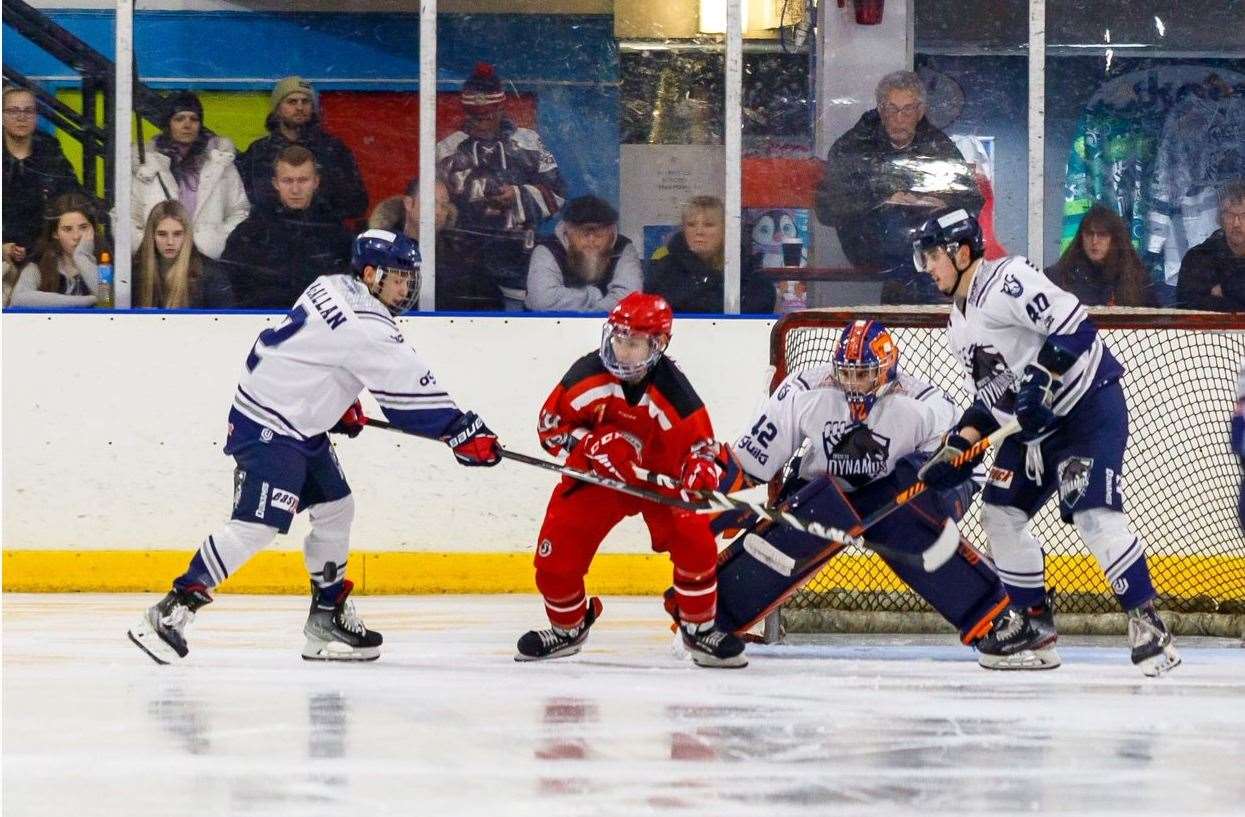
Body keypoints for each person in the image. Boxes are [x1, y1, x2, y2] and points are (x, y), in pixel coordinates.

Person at [127, 229, 503, 665]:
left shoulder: (330, 284)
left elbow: (314, 353)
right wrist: (461, 430)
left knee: (336, 508)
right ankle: (171, 610)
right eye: (398, 278)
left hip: (293, 419)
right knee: (256, 527)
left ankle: (327, 617)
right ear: (370, 274)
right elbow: (411, 397)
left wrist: (335, 403)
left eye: (408, 278)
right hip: (270, 425)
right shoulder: (369, 326)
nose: (406, 287)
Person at [911, 207, 1181, 676]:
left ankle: (1147, 623)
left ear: (961, 251)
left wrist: (1039, 379)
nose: (927, 267)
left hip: (1086, 408)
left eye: (933, 256)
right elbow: (995, 397)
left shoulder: (1008, 279)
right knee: (999, 510)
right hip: (1036, 426)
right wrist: (958, 445)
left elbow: (1076, 324)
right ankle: (1033, 624)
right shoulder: (957, 323)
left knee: (1093, 512)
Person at [705, 319, 1010, 648]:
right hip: (826, 491)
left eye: (863, 374)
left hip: (899, 494)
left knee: (906, 519)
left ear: (886, 371)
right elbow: (751, 460)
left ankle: (997, 616)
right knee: (790, 530)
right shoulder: (804, 392)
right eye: (847, 373)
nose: (854, 384)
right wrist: (719, 502)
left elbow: (967, 463)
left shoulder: (924, 405)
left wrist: (935, 489)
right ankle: (706, 620)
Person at [517, 292, 746, 668]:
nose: (623, 351)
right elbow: (550, 428)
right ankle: (568, 628)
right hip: (600, 477)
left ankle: (699, 628)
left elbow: (701, 450)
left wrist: (700, 475)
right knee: (555, 558)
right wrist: (592, 444)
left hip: (662, 480)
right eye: (619, 339)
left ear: (659, 344)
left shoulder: (675, 394)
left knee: (694, 537)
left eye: (635, 342)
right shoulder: (587, 375)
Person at [814, 71, 982, 304]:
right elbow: (827, 207)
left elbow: (970, 199)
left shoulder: (937, 145)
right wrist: (883, 199)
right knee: (902, 230)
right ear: (881, 111)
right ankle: (920, 305)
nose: (899, 118)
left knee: (946, 235)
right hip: (867, 240)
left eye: (908, 109)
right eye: (892, 109)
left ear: (920, 111)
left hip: (923, 238)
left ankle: (916, 302)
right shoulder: (854, 145)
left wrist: (941, 201)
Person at [437, 62, 566, 308]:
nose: (482, 122)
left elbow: (558, 193)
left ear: (500, 108)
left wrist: (517, 197)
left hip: (520, 257)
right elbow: (434, 204)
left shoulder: (528, 142)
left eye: (488, 115)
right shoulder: (447, 150)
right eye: (475, 116)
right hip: (465, 262)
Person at [221, 145, 353, 308]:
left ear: (316, 182)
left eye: (303, 180)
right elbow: (232, 289)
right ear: (275, 183)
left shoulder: (338, 236)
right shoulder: (249, 234)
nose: (295, 189)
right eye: (287, 181)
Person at [130, 91, 250, 260]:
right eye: (179, 119)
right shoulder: (147, 165)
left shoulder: (221, 163)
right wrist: (149, 247)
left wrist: (217, 239)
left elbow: (240, 211)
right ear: (168, 124)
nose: (187, 125)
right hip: (158, 263)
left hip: (206, 261)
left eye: (193, 119)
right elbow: (127, 216)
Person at [234, 77, 367, 225]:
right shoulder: (259, 151)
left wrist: (317, 205)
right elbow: (241, 201)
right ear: (277, 108)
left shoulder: (333, 149)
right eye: (292, 102)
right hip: (270, 238)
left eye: (305, 101)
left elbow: (357, 202)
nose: (299, 107)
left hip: (322, 236)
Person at [367, 176, 503, 311]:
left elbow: (492, 304)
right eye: (431, 203)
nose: (439, 212)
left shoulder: (461, 255)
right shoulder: (376, 252)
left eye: (444, 205)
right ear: (409, 204)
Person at [645, 195, 776, 314]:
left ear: (725, 229)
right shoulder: (664, 270)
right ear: (683, 229)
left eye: (709, 225)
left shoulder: (745, 267)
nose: (699, 231)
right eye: (691, 225)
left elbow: (763, 302)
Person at [3, 85, 82, 267]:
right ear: (2, 116)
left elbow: (74, 197)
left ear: (36, 116)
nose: (21, 116)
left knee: (103, 291)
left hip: (47, 254)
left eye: (28, 111)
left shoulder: (51, 153)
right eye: (13, 110)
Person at [524, 195, 642, 312]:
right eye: (583, 231)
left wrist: (594, 314)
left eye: (598, 231)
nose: (591, 239)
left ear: (611, 231)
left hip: (608, 328)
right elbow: (543, 300)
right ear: (568, 231)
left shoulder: (623, 248)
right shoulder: (547, 250)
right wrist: (594, 295)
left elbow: (631, 300)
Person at [1046, 203, 1156, 307]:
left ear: (1115, 239)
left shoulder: (1137, 280)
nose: (1094, 241)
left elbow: (1153, 322)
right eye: (1089, 234)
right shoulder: (1060, 277)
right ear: (1081, 237)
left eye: (1102, 235)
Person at [132, 200, 234, 308]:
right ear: (151, 236)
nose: (170, 242)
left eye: (177, 234)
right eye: (162, 234)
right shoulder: (137, 272)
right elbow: (111, 301)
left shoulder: (211, 274)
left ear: (187, 235)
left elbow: (227, 321)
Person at [8, 192, 100, 308]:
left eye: (83, 227)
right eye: (67, 229)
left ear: (93, 228)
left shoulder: (104, 263)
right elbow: (19, 299)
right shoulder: (38, 265)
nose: (76, 236)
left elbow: (107, 298)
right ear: (55, 234)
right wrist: (87, 300)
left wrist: (82, 257)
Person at [1175, 181, 1245, 311]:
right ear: (1221, 219)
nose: (1236, 223)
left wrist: (1225, 289)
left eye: (1244, 216)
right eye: (1230, 215)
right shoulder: (1197, 258)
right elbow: (1188, 309)